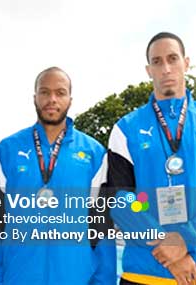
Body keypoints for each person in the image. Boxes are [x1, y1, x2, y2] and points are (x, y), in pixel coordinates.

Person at [0, 67, 115, 284]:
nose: (52, 99)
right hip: (18, 278)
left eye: (60, 93)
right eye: (45, 92)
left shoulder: (94, 153)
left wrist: (103, 281)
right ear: (35, 98)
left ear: (70, 99)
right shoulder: (6, 150)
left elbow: (103, 228)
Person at [107, 32, 196, 285]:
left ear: (186, 62)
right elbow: (121, 199)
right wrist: (163, 239)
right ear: (148, 70)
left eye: (172, 59)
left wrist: (185, 241)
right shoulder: (126, 129)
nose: (166, 68)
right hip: (143, 274)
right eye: (157, 62)